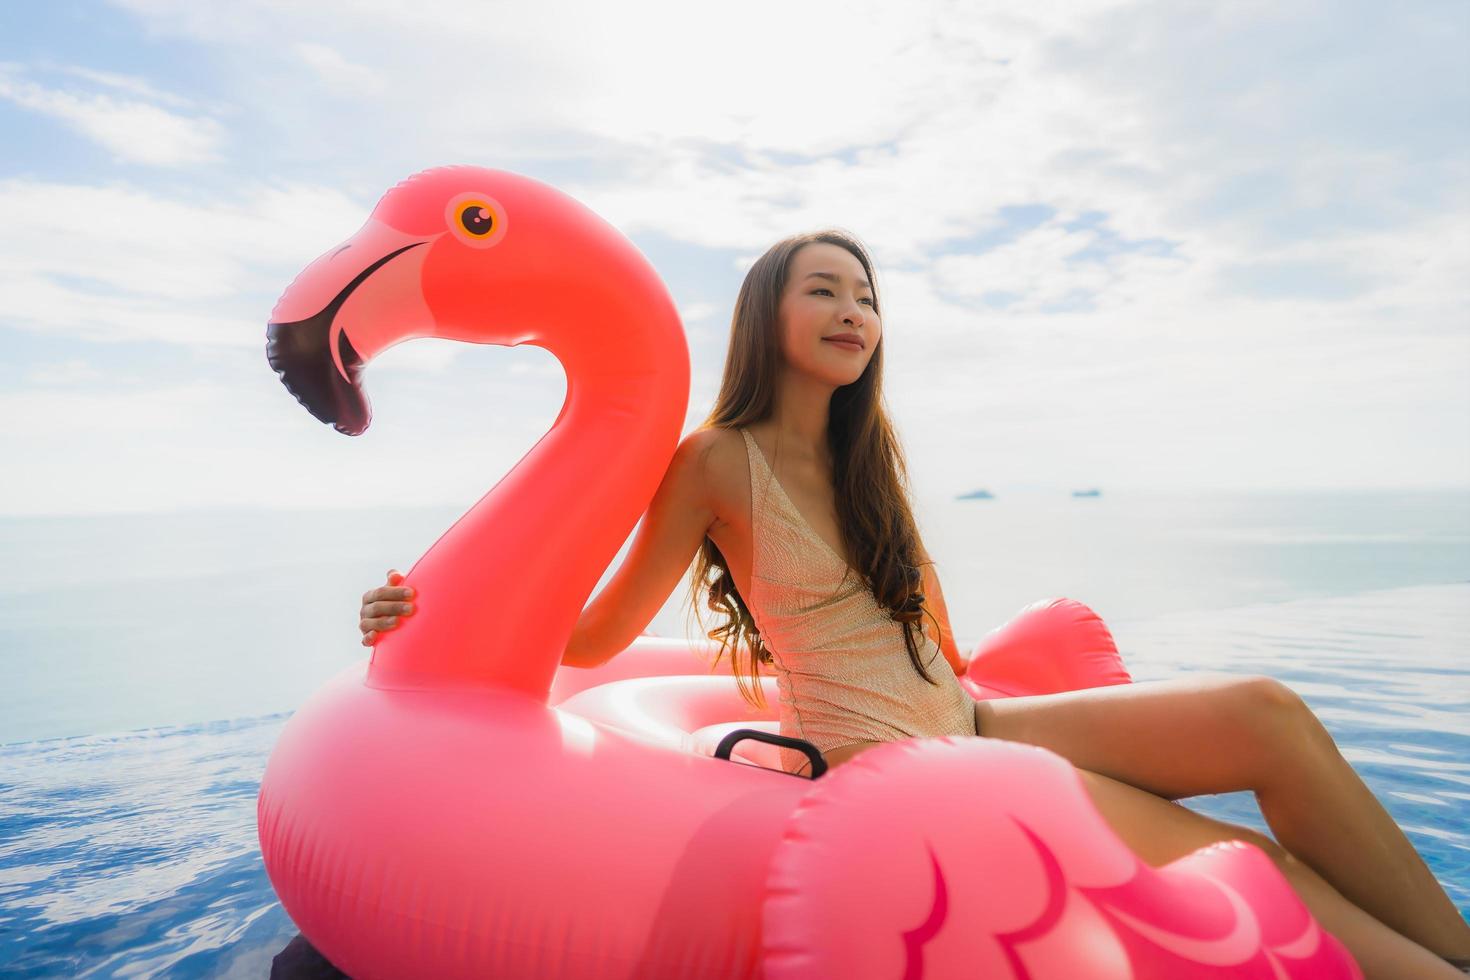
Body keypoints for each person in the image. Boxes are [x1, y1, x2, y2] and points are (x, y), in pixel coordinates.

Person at [357, 229, 1470, 977]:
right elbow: (590, 629)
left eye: (869, 296)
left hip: (972, 716)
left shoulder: (866, 451)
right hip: (908, 769)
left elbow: (927, 631)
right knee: (1251, 859)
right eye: (826, 289)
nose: (856, 310)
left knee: (1266, 711)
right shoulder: (716, 461)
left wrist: (990, 678)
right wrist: (432, 607)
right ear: (768, 313)